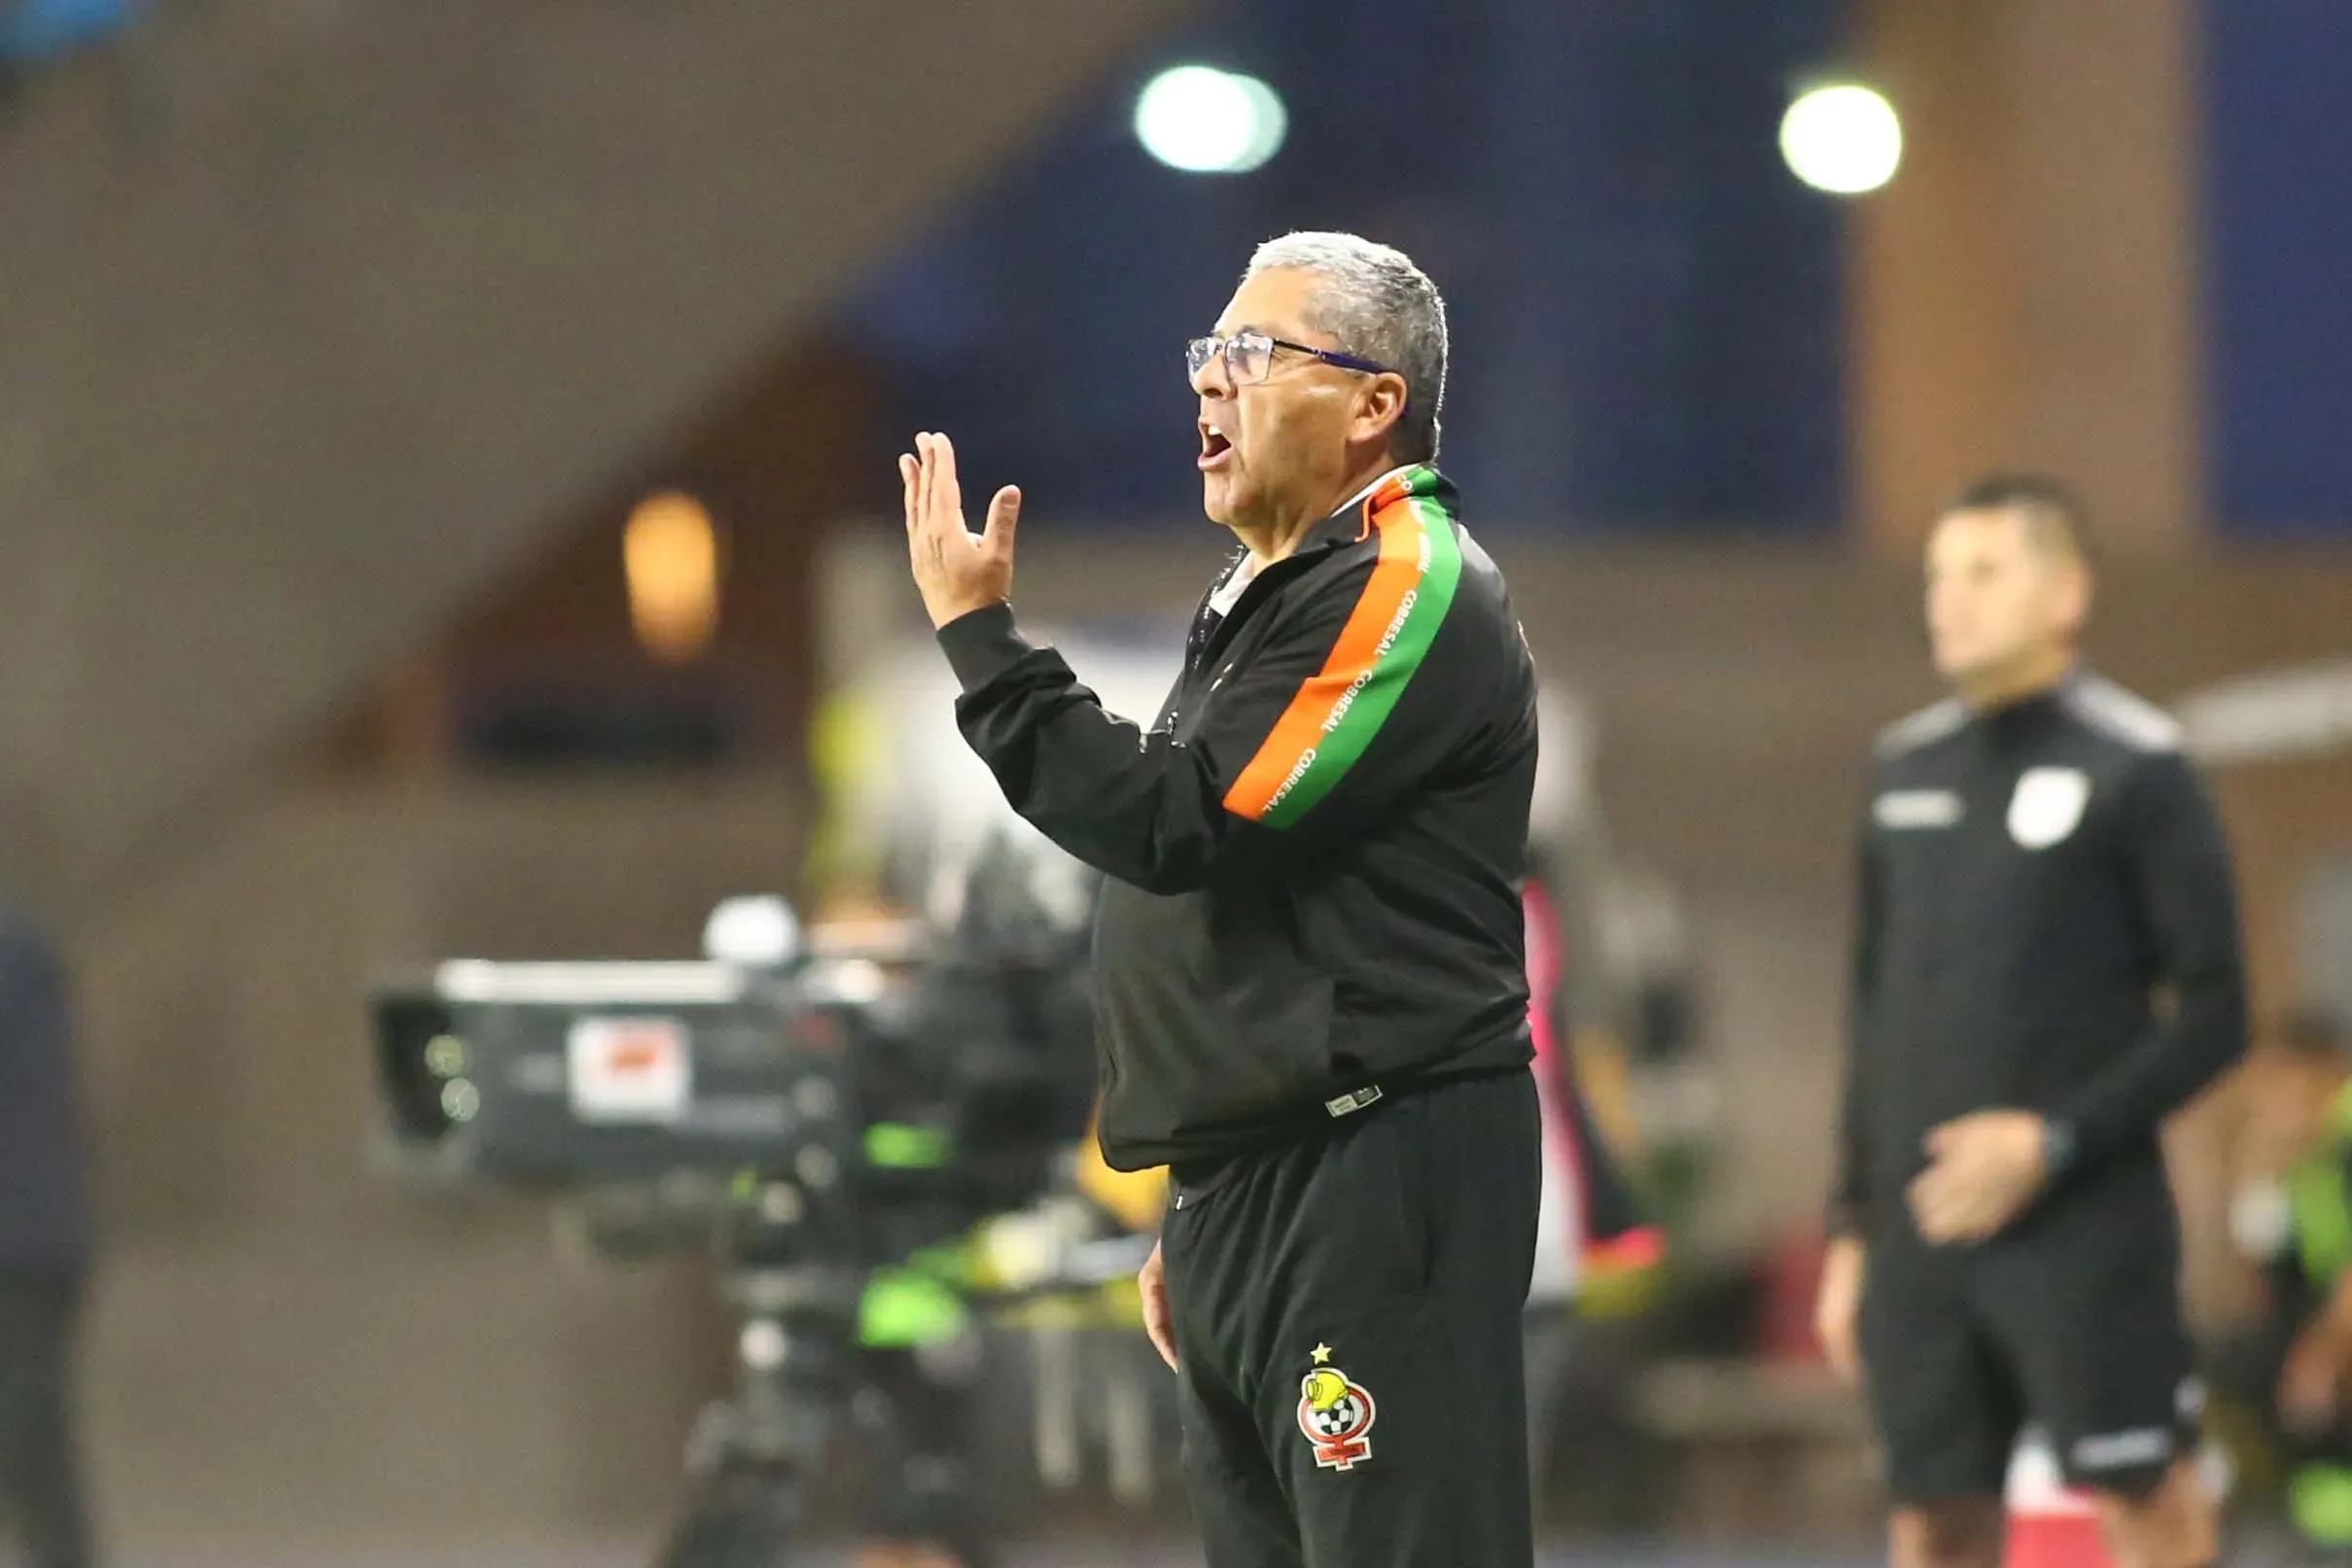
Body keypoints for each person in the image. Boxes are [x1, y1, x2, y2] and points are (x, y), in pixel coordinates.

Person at [897, 231, 1543, 1567]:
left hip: (1371, 1175)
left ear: (1373, 405)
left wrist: (983, 643)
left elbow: (1177, 823)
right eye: (1206, 355)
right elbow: (1230, 915)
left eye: (1251, 355)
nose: (1209, 386)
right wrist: (1203, 1194)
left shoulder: (1405, 576)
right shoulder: (1271, 589)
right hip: (1253, 1189)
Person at [1813, 473, 2249, 1568]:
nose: (1947, 600)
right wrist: (1853, 1230)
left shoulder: (2138, 767)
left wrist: (2049, 1142)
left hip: (2082, 1227)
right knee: (1934, 1519)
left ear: (2066, 592)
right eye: (1937, 576)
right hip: (1920, 1236)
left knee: (2147, 1497)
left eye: (1982, 571)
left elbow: (2216, 1013)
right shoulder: (1902, 768)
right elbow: (1871, 1012)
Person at [0, 896, 95, 1568]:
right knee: (34, 1437)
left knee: (24, 1425)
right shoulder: (25, 956)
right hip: (41, 1235)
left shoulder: (17, 961)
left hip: (25, 1241)